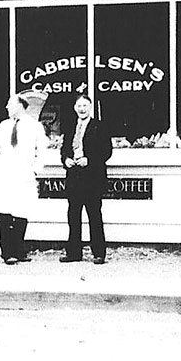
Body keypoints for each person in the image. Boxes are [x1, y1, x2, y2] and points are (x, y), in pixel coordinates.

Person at [0, 94, 49, 264]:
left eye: (10, 104)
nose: (7, 107)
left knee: (22, 212)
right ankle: (7, 252)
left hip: (24, 174)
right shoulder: (4, 126)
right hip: (5, 175)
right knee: (4, 212)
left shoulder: (34, 126)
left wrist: (36, 170)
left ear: (20, 105)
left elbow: (42, 150)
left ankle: (18, 250)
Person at [60, 94, 112, 264]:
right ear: (75, 108)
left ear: (90, 108)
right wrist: (66, 159)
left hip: (92, 178)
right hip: (74, 176)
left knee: (94, 215)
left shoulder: (100, 126)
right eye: (79, 106)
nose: (82, 109)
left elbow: (106, 151)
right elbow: (64, 149)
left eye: (85, 106)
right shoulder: (70, 126)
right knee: (73, 216)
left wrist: (89, 160)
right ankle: (74, 253)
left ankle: (98, 253)